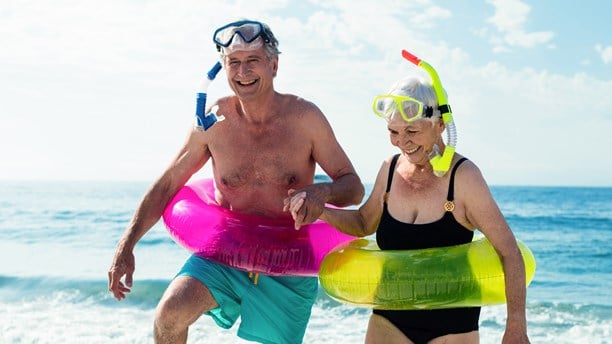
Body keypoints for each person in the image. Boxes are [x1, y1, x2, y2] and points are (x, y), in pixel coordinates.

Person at [108, 19, 364, 344]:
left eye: (252, 61)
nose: (243, 72)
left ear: (274, 65)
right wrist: (126, 245)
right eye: (234, 63)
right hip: (225, 250)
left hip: (287, 262)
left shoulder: (305, 119)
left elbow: (352, 186)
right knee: (169, 314)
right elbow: (167, 183)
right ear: (223, 68)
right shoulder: (214, 121)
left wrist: (322, 191)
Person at [286, 74, 530, 343]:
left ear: (439, 124)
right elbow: (363, 223)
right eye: (393, 132)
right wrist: (321, 210)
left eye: (412, 131)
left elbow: (509, 252)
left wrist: (516, 328)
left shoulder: (464, 178)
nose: (403, 142)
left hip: (452, 328)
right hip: (388, 322)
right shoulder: (390, 169)